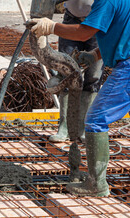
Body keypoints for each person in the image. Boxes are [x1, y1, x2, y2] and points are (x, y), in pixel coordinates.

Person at [30, 0, 130, 196]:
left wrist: (51, 27)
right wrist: (95, 55)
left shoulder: (107, 0)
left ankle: (96, 185)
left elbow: (84, 32)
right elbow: (124, 32)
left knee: (95, 120)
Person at [49, 0, 103, 143]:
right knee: (67, 74)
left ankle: (84, 128)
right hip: (72, 18)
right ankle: (65, 127)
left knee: (93, 77)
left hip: (98, 19)